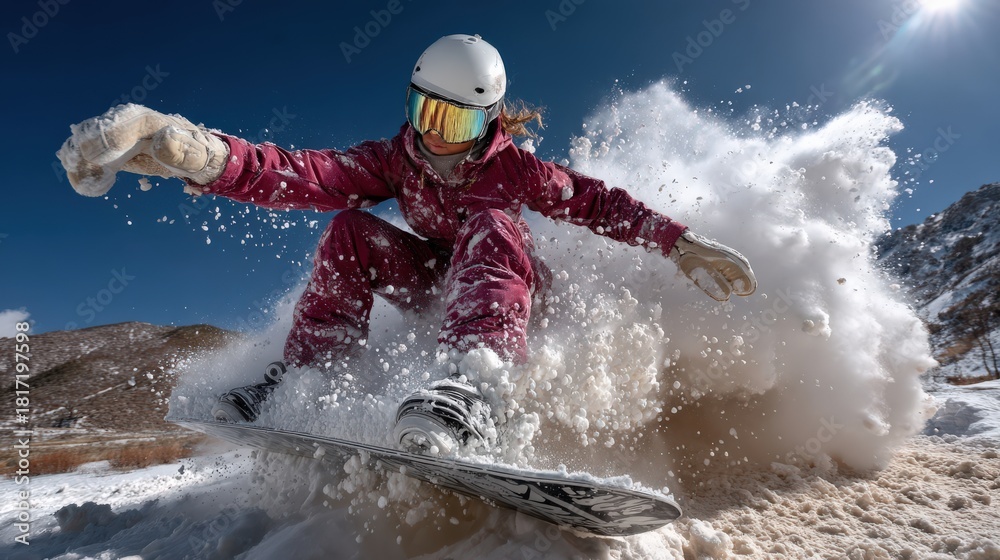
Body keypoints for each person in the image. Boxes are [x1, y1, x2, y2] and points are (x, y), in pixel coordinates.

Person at [58, 34, 756, 454]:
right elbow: (305, 174)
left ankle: (476, 391)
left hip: (511, 305)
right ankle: (310, 377)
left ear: (488, 120)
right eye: (425, 111)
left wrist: (681, 242)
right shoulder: (397, 159)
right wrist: (202, 155)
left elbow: (599, 202)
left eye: (455, 119)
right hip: (441, 288)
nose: (435, 134)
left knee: (490, 223)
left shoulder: (517, 170)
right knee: (350, 229)